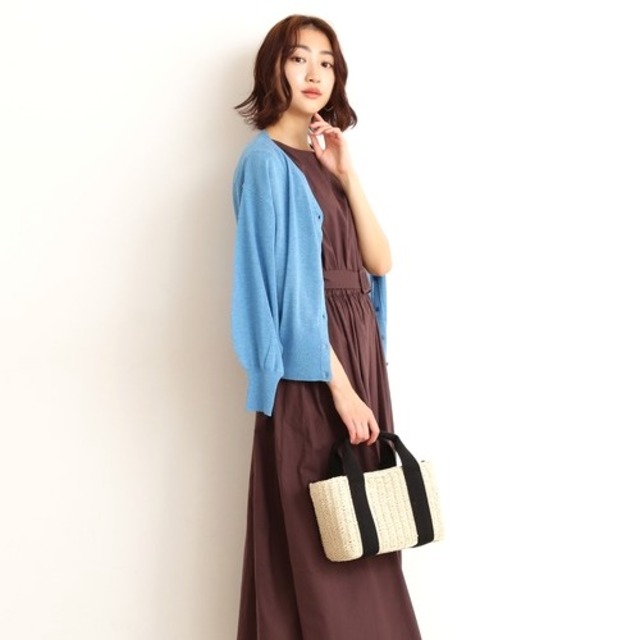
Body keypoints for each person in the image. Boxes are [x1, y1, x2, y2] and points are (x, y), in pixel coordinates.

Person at [230, 14, 422, 640]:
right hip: (313, 371)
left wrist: (347, 175)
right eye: (298, 58)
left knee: (365, 531)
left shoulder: (323, 161)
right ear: (274, 68)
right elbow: (283, 299)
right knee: (321, 545)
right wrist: (340, 391)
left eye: (327, 62)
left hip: (357, 356)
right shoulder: (264, 164)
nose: (314, 73)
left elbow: (379, 263)